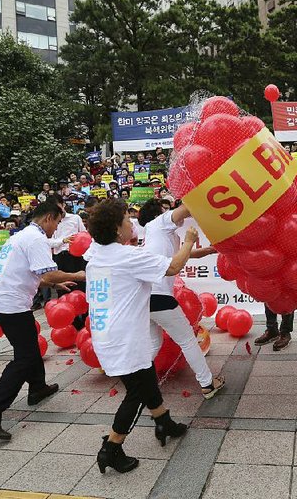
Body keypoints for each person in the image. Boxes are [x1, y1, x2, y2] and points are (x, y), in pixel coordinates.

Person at [86, 199, 196, 474]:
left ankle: (164, 422)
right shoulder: (127, 256)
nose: (130, 224)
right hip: (124, 339)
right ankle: (112, 447)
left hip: (107, 334)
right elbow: (172, 268)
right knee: (135, 394)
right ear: (115, 228)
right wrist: (189, 241)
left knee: (146, 379)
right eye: (126, 219)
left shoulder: (96, 254)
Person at [0, 202, 86, 440]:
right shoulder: (35, 239)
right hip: (9, 304)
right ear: (49, 218)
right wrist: (77, 275)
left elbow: (31, 273)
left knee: (29, 344)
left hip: (0, 299)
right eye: (58, 223)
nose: (57, 229)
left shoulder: (23, 236)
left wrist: (54, 283)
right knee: (25, 357)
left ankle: (38, 387)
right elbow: (48, 273)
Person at [138, 199, 225, 398]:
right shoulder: (159, 223)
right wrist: (204, 195)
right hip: (160, 296)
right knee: (188, 341)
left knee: (153, 344)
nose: (171, 212)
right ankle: (208, 384)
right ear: (159, 214)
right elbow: (187, 208)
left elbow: (187, 255)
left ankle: (139, 382)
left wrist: (211, 250)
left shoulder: (160, 235)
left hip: (146, 298)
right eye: (166, 209)